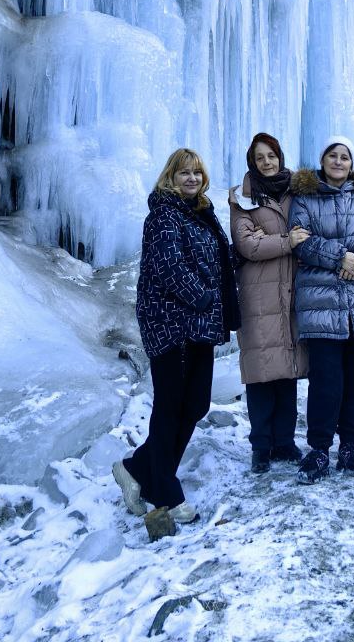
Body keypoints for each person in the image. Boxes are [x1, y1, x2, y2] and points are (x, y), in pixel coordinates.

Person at [113, 148, 240, 524]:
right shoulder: (164, 216)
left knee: (195, 404)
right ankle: (164, 491)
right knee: (170, 405)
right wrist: (202, 296)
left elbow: (213, 260)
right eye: (183, 173)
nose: (191, 179)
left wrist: (248, 249)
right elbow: (169, 267)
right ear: (170, 177)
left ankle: (138, 467)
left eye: (197, 173)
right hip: (170, 322)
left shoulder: (201, 214)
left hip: (198, 324)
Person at [289, 136, 354, 484]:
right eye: (332, 156)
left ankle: (350, 446)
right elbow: (302, 242)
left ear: (352, 165)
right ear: (323, 161)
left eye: (344, 157)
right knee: (326, 382)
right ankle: (319, 449)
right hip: (323, 306)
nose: (338, 161)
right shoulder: (305, 199)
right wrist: (342, 258)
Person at [229, 132, 308, 474]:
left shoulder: (297, 191)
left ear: (280, 156)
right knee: (262, 373)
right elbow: (247, 245)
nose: (267, 162)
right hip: (259, 295)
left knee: (287, 370)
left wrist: (273, 240)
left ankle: (285, 442)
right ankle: (261, 446)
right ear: (252, 163)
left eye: (271, 155)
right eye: (260, 158)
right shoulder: (243, 198)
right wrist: (287, 241)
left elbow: (309, 231)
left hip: (290, 291)